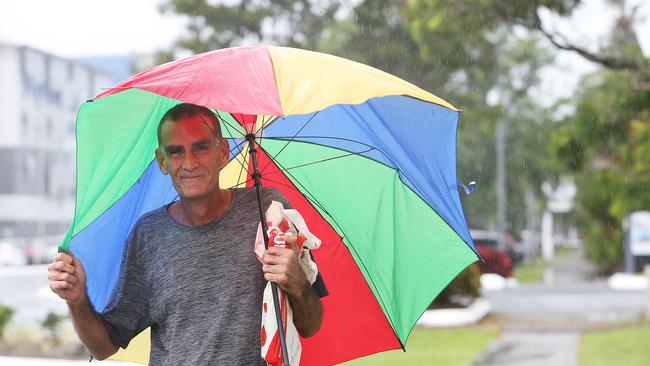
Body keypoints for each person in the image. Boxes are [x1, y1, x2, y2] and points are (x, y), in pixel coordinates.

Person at [47, 103, 326, 365]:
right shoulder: (149, 235)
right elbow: (104, 346)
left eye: (201, 147)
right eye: (176, 151)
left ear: (223, 152)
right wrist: (77, 300)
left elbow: (311, 325)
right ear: (162, 161)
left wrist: (298, 283)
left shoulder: (269, 212)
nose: (189, 162)